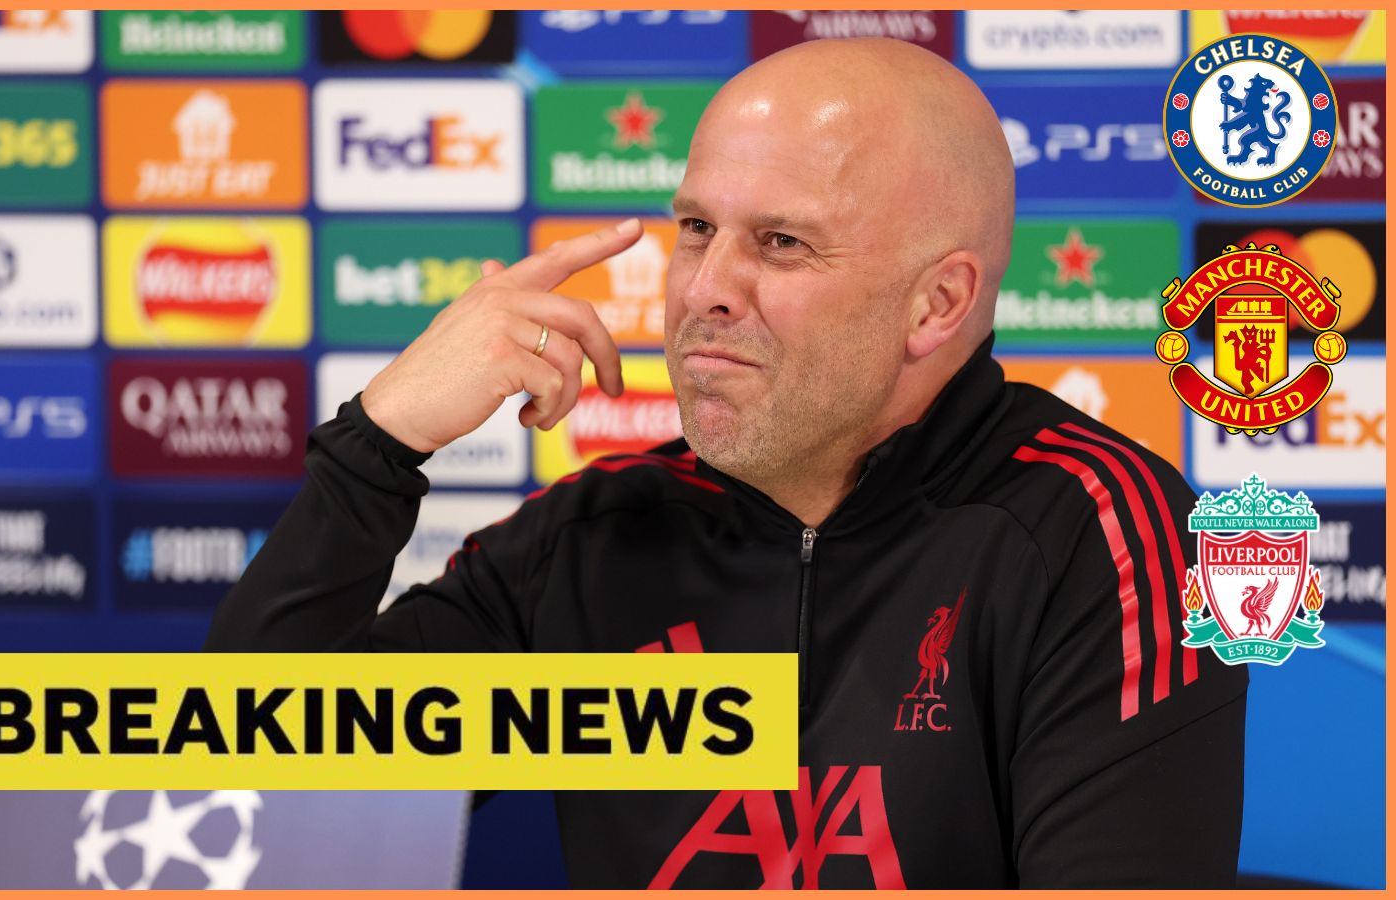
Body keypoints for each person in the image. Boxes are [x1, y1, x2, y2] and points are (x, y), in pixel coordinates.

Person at [208, 38, 1247, 888]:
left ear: (937, 304)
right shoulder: (593, 537)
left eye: (781, 243)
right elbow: (260, 806)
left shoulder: (1098, 530)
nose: (703, 287)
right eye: (697, 228)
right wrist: (379, 443)